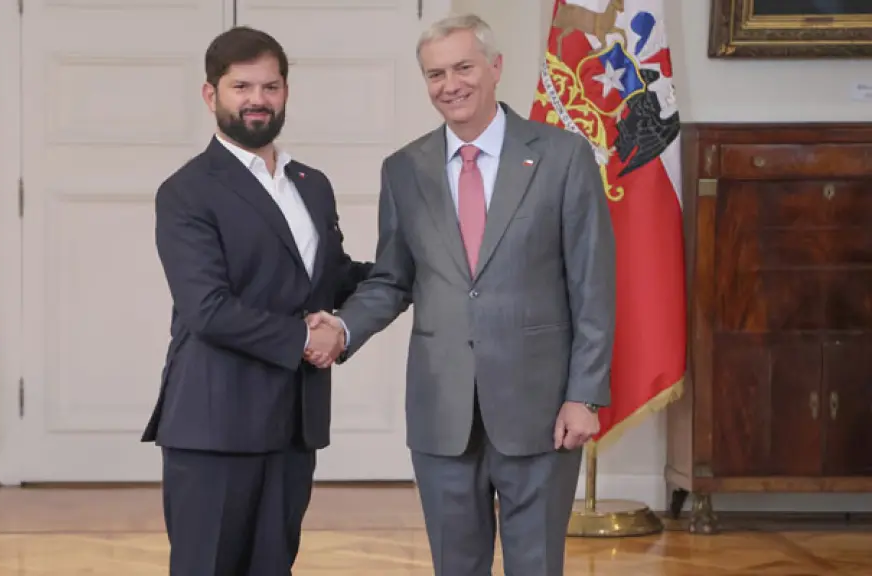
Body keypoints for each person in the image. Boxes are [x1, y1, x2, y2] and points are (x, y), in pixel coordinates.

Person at [305, 14, 616, 575]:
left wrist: (585, 394)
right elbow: (394, 278)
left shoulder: (563, 156)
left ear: (495, 68)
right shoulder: (403, 169)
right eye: (435, 74)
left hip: (542, 409)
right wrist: (342, 329)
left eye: (463, 67)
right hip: (441, 411)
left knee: (537, 564)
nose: (450, 85)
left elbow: (592, 284)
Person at [141, 26, 370, 575]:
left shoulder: (311, 184)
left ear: (286, 91)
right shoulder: (187, 190)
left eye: (269, 86)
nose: (257, 100)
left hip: (294, 424)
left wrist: (413, 274)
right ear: (211, 94)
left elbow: (331, 278)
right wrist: (306, 340)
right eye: (241, 86)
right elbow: (207, 308)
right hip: (215, 424)